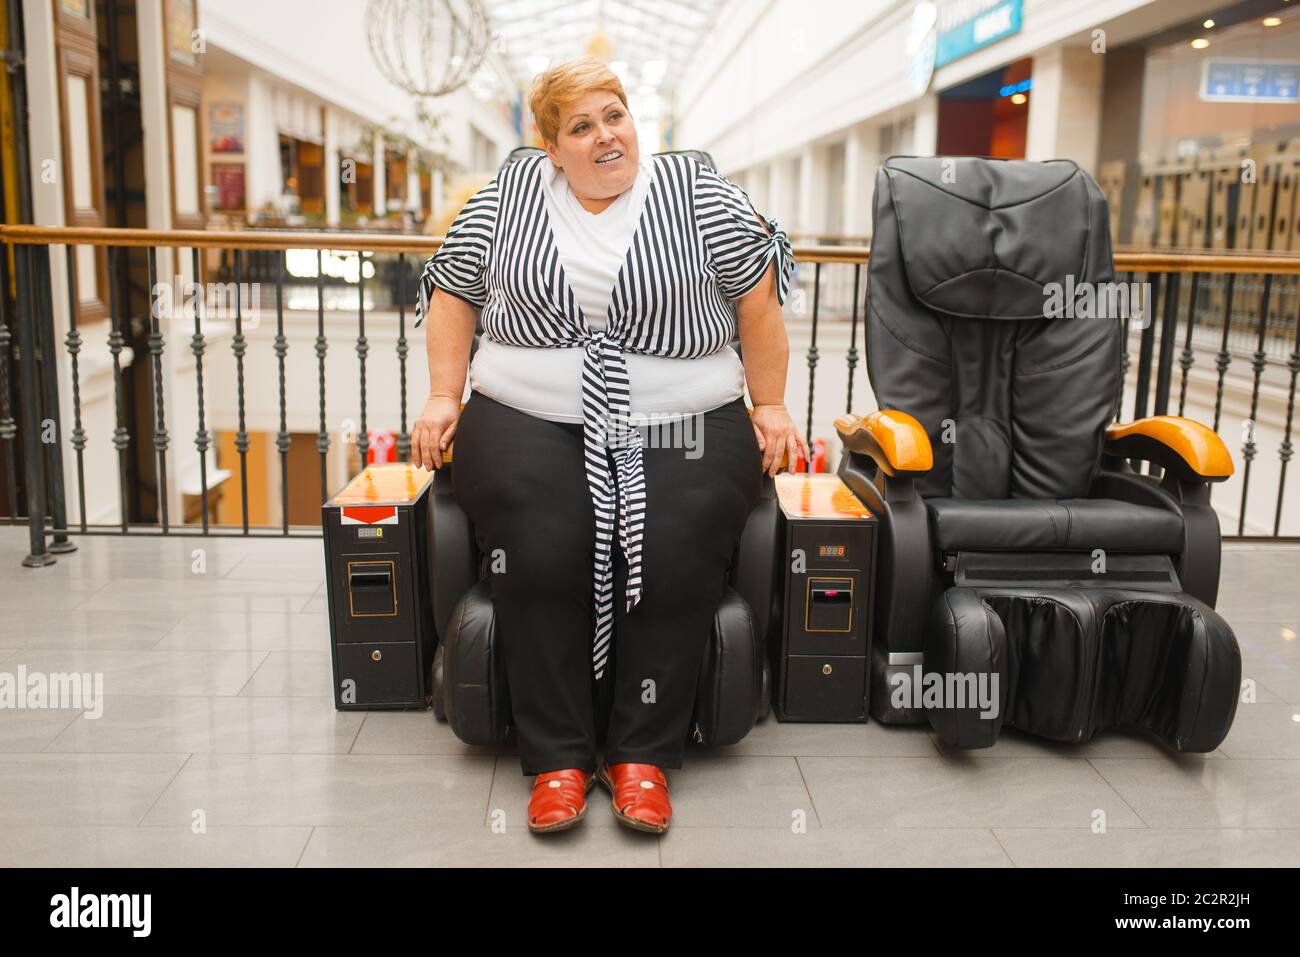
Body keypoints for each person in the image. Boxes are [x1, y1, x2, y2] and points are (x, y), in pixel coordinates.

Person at [411, 56, 806, 835]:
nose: (605, 137)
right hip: (528, 410)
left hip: (683, 412)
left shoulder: (698, 192)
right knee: (544, 542)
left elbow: (756, 302)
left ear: (635, 121)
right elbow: (454, 289)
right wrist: (440, 395)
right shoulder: (510, 194)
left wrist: (770, 404)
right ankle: (558, 755)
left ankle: (641, 755)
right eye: (581, 127)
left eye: (615, 115)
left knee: (670, 545)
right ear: (552, 148)